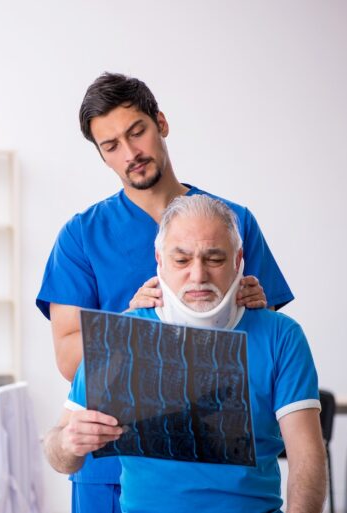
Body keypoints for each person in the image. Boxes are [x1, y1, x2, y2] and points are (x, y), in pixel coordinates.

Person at [36, 72, 294, 512]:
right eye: (111, 146)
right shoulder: (80, 238)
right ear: (102, 157)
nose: (131, 153)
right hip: (109, 467)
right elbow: (67, 359)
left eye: (137, 132)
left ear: (161, 123)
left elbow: (262, 347)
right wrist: (129, 329)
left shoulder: (231, 224)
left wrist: (251, 307)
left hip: (213, 469)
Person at [45, 195, 327, 513]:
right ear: (160, 261)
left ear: (238, 261)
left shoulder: (281, 336)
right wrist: (69, 441)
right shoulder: (120, 338)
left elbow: (307, 457)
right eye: (182, 260)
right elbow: (57, 452)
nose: (198, 276)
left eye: (214, 259)